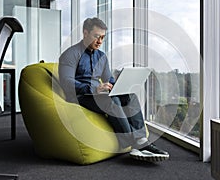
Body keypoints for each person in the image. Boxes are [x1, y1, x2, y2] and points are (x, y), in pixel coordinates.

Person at [58, 17, 169, 162]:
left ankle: (141, 140)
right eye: (96, 36)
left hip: (99, 94)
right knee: (111, 99)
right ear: (85, 33)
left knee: (130, 96)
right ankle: (135, 144)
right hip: (79, 96)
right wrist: (94, 88)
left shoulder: (102, 57)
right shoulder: (70, 54)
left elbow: (108, 79)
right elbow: (66, 82)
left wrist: (119, 85)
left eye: (102, 38)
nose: (100, 41)